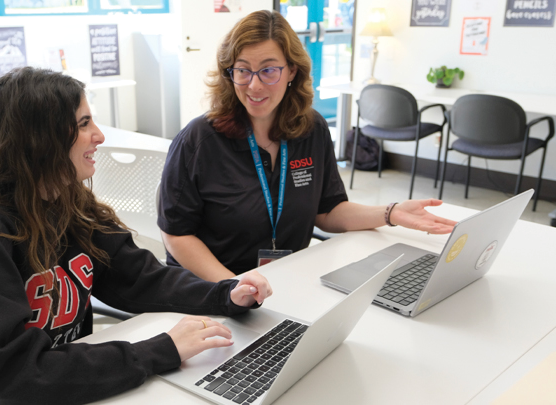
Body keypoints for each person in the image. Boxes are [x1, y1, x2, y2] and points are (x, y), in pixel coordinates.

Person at [0, 67, 272, 405]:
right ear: (39, 138)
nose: (99, 135)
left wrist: (225, 294)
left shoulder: (69, 202)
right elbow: (10, 374)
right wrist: (161, 349)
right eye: (83, 124)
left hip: (66, 386)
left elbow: (139, 277)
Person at [157, 10, 457, 282]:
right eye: (243, 70)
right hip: (210, 290)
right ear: (229, 73)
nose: (254, 85)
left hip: (285, 282)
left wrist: (390, 213)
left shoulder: (311, 129)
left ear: (291, 71)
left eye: (269, 70)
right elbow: (176, 234)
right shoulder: (198, 141)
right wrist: (232, 287)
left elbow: (328, 211)